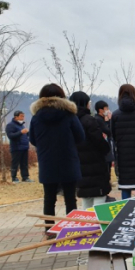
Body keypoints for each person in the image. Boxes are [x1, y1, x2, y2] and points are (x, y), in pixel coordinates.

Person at [29, 84, 85, 229]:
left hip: (47, 162)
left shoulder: (36, 117)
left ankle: (49, 230)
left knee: (49, 199)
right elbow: (80, 137)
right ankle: (72, 228)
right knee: (70, 199)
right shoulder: (69, 115)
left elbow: (33, 139)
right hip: (68, 160)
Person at [70, 91, 112, 209]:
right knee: (99, 197)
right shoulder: (89, 120)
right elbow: (100, 142)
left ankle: (87, 225)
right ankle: (98, 223)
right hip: (95, 165)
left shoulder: (71, 121)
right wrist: (106, 149)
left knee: (86, 198)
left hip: (79, 165)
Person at [111, 84, 135, 199]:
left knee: (125, 187)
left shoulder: (115, 115)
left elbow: (113, 135)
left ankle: (125, 214)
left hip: (123, 157)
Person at [6, 110, 32, 183]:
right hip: (16, 148)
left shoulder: (22, 125)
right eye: (21, 116)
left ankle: (25, 177)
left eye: (23, 116)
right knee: (15, 163)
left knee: (24, 163)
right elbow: (10, 136)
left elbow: (26, 135)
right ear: (16, 117)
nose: (23, 118)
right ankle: (14, 178)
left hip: (24, 147)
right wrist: (20, 132)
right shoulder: (10, 125)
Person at [94, 100, 115, 180]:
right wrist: (109, 120)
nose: (107, 111)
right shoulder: (99, 120)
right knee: (106, 170)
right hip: (104, 149)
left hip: (104, 149)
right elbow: (109, 131)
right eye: (106, 108)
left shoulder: (99, 119)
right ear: (100, 110)